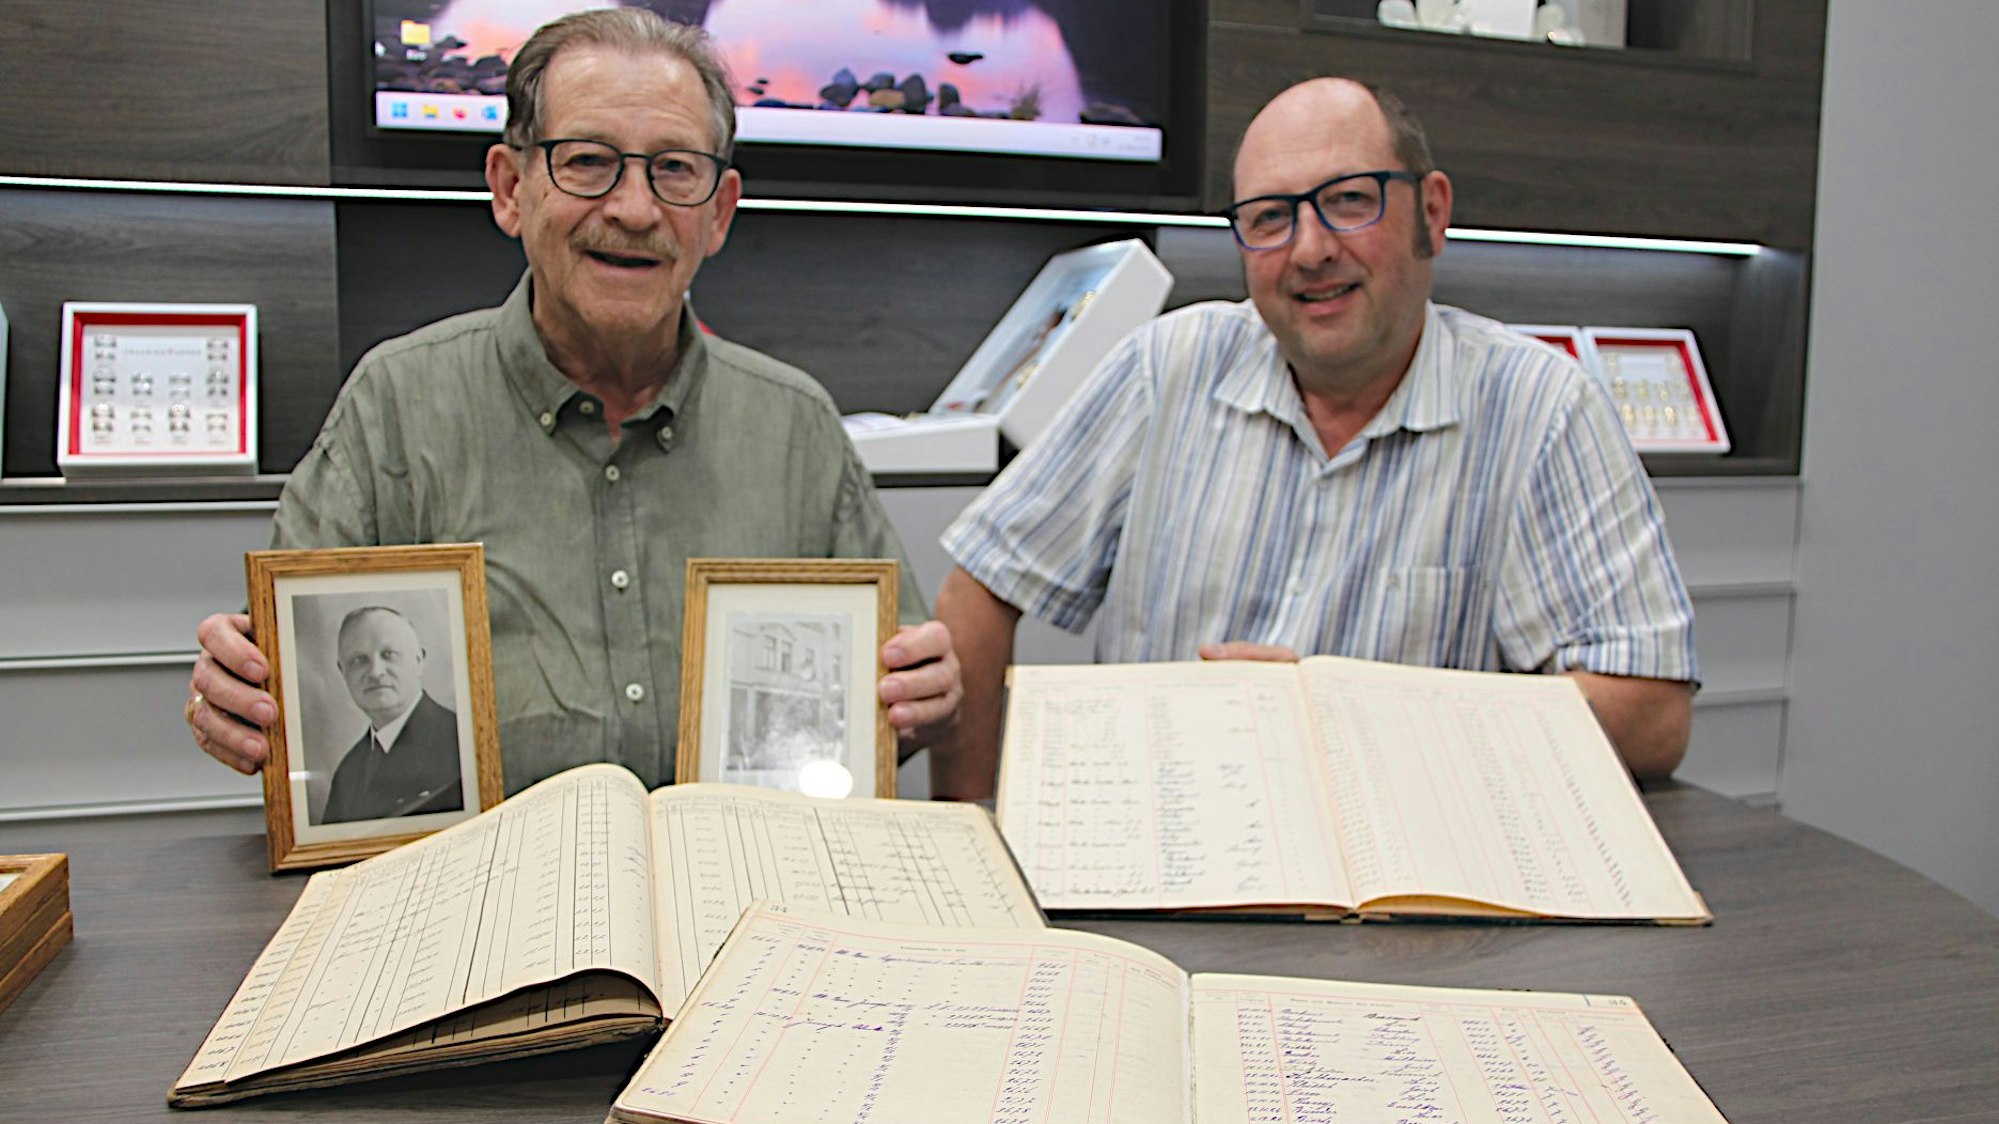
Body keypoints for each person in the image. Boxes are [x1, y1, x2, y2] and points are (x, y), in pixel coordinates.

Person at [185, 9, 960, 792]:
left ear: (718, 212)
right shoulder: (393, 408)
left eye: (675, 169)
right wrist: (247, 696)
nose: (633, 208)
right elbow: (297, 697)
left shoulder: (795, 427)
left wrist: (921, 696)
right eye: (588, 162)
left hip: (743, 894)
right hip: (482, 903)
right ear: (510, 189)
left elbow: (881, 707)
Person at [933, 77, 1696, 798]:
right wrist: (974, 828)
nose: (1308, 249)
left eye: (1347, 201)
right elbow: (984, 584)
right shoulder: (1165, 368)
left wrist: (1348, 718)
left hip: (1403, 877)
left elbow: (1651, 716)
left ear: (1431, 212)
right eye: (1269, 216)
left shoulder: (1539, 409)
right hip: (1158, 850)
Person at [319, 606, 462, 824]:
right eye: (359, 659)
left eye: (389, 655)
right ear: (342, 671)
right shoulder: (348, 772)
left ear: (418, 660)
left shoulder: (460, 742)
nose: (376, 672)